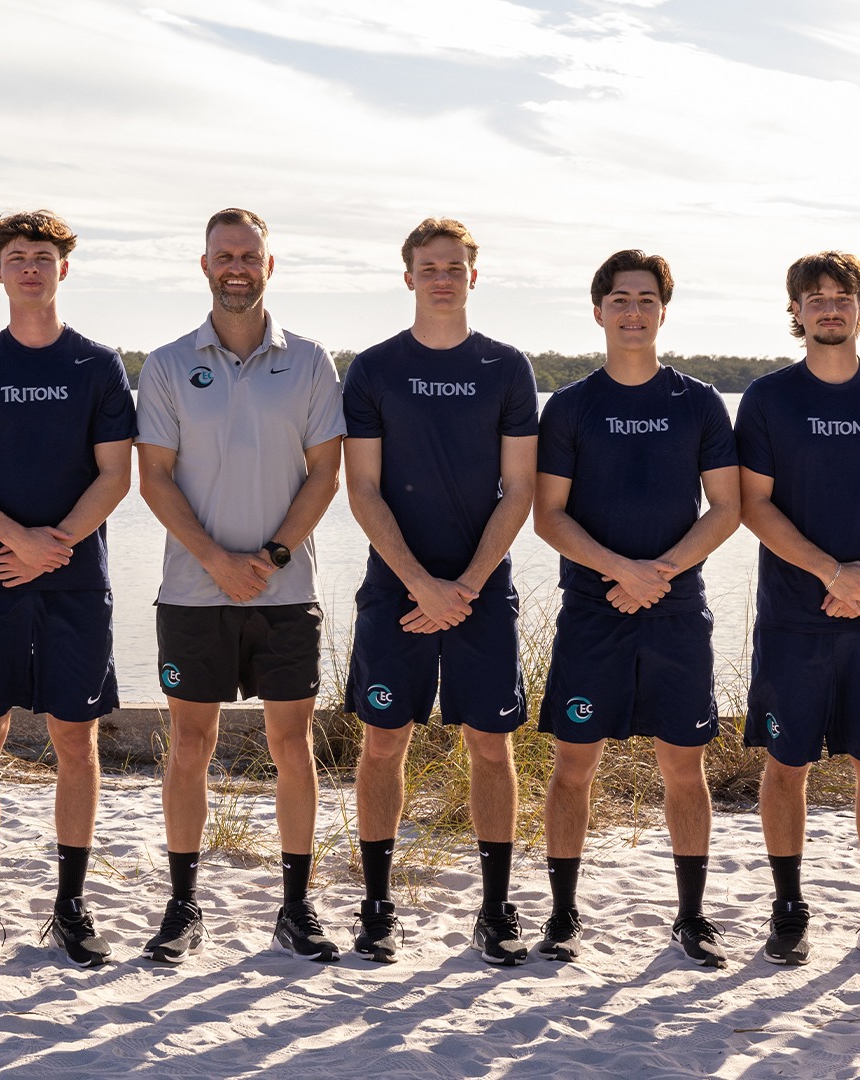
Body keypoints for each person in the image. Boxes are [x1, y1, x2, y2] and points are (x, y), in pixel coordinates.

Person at [134, 208, 346, 963]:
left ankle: (295, 908)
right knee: (190, 745)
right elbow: (152, 478)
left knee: (294, 746)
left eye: (249, 255)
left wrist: (275, 553)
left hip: (287, 594)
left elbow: (327, 471)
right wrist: (217, 561)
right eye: (224, 255)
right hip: (194, 592)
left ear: (269, 265)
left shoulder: (312, 361)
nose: (236, 267)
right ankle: (183, 905)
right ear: (204, 266)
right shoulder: (164, 364)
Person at [0, 211, 135, 966]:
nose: (30, 268)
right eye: (16, 257)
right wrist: (17, 540)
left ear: (63, 270)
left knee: (74, 740)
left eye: (42, 257)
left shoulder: (97, 365)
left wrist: (54, 549)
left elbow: (116, 475)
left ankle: (71, 905)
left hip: (75, 584)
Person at [531, 249, 740, 967]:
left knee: (685, 768)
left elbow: (727, 507)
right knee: (572, 767)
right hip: (593, 610)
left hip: (677, 611)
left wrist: (662, 573)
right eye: (619, 299)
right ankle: (562, 915)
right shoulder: (571, 406)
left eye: (646, 299)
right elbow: (548, 516)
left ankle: (691, 917)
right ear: (598, 311)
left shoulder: (699, 402)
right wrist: (622, 572)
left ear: (662, 311)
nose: (632, 311)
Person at [342, 218, 538, 965]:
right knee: (383, 742)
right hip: (396, 589)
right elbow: (361, 490)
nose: (442, 278)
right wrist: (420, 584)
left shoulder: (506, 367)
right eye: (429, 267)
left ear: (473, 277)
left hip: (481, 589)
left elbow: (518, 490)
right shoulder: (375, 368)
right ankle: (378, 905)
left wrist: (465, 587)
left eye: (455, 266)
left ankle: (494, 910)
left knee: (491, 745)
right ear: (409, 277)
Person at [735, 252, 860, 967]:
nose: (829, 307)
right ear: (795, 311)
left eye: (842, 296)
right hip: (795, 612)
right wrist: (829, 571)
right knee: (788, 763)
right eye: (814, 297)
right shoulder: (768, 398)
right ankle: (789, 908)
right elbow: (753, 504)